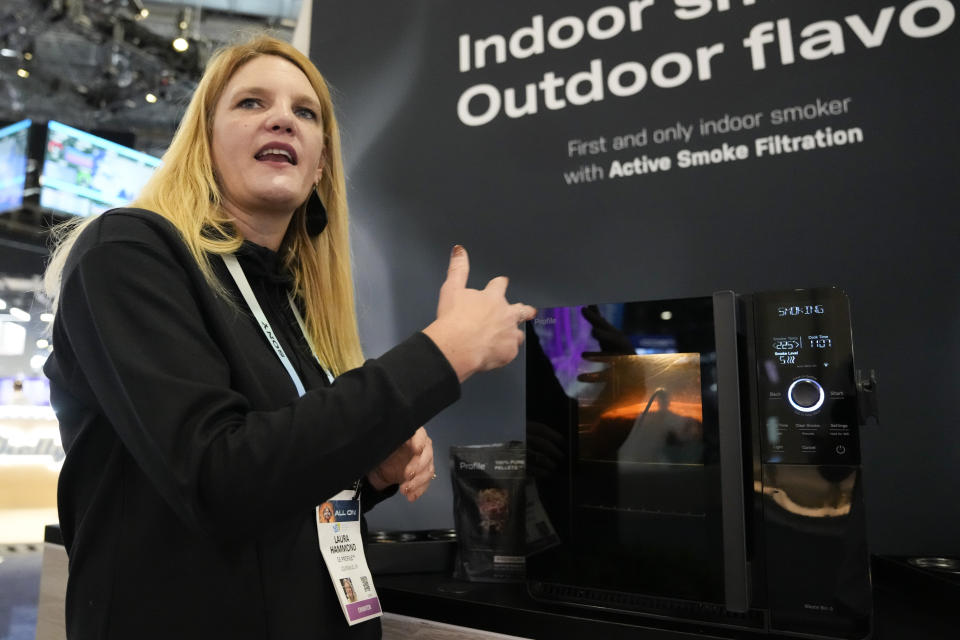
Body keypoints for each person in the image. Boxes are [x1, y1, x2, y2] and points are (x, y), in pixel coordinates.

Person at [42, 34, 535, 640]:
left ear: (321, 164)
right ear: (204, 140)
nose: (282, 117)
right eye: (251, 103)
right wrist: (441, 355)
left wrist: (368, 470)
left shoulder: (291, 302)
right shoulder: (127, 254)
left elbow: (279, 475)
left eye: (305, 112)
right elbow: (218, 478)